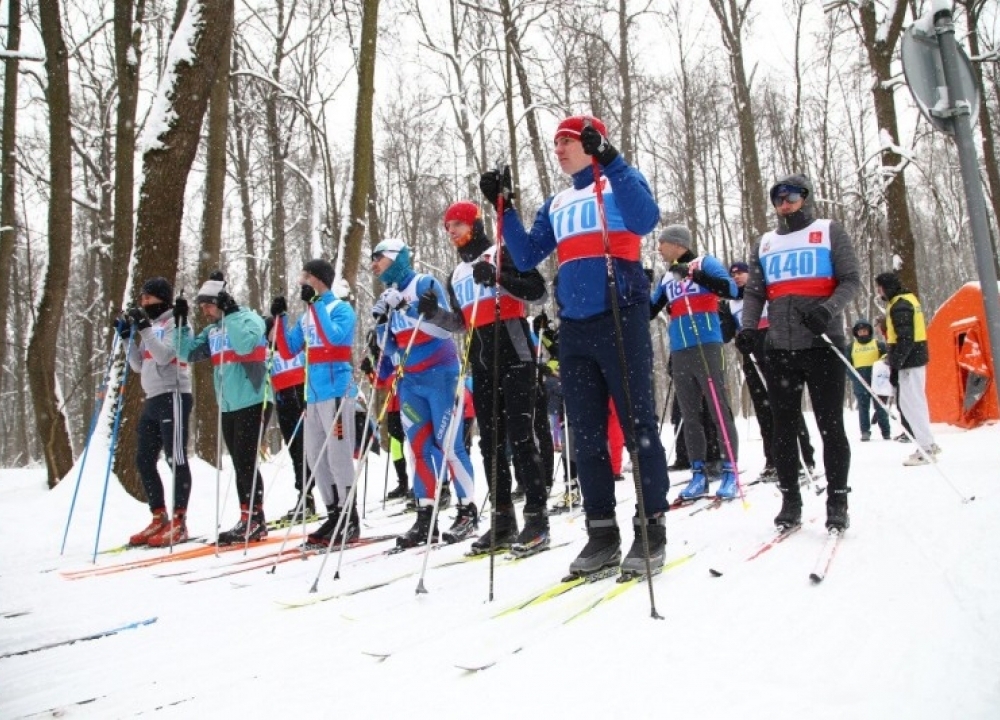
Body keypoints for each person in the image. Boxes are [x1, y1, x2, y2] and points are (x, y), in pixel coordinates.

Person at [481, 114, 669, 578]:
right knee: (585, 436)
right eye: (556, 143)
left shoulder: (619, 179)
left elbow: (646, 219)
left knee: (636, 423)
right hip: (576, 326)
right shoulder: (558, 201)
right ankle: (602, 532)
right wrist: (502, 208)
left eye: (567, 141)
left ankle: (651, 528)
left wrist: (612, 159)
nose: (559, 149)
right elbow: (526, 256)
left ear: (590, 142)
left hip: (621, 315)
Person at [737, 174, 860, 532]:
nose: (784, 204)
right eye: (777, 199)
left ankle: (837, 499)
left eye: (790, 197)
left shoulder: (828, 230)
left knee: (830, 425)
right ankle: (790, 500)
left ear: (805, 198)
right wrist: (747, 328)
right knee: (783, 428)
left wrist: (827, 310)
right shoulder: (766, 242)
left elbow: (851, 279)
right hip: (780, 348)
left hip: (822, 345)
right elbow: (756, 293)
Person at [432, 200, 551, 556]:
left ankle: (537, 519)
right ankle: (502, 519)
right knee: (490, 443)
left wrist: (499, 277)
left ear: (475, 224)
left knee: (521, 436)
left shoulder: (502, 252)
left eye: (457, 223)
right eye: (447, 226)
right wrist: (433, 314)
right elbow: (459, 321)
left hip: (515, 354)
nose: (451, 230)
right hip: (481, 363)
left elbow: (538, 291)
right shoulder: (455, 275)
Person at [370, 238, 478, 548]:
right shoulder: (386, 294)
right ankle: (426, 516)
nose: (374, 265)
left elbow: (445, 329)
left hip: (441, 376)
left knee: (449, 445)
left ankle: (467, 511)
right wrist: (380, 325)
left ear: (395, 258)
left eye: (378, 258)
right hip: (411, 382)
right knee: (418, 448)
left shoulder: (423, 283)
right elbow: (391, 348)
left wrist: (406, 306)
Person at [274, 259, 360, 548]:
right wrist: (280, 318)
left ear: (318, 279)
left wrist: (317, 305)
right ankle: (334, 513)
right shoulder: (309, 315)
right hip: (312, 396)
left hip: (337, 391)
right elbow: (287, 350)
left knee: (338, 456)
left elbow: (335, 340)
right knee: (315, 458)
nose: (301, 281)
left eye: (305, 276)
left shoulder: (341, 309)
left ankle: (350, 517)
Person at [650, 225, 741, 501]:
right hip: (680, 348)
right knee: (690, 415)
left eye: (662, 243)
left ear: (676, 244)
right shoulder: (666, 277)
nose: (658, 248)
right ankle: (698, 473)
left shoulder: (705, 262)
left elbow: (732, 289)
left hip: (707, 343)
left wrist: (693, 274)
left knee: (717, 409)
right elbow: (649, 310)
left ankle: (729, 471)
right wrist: (639, 286)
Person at [180, 272, 269, 543]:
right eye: (202, 307)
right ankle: (248, 517)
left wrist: (230, 315)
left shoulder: (248, 319)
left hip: (254, 398)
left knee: (246, 460)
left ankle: (255, 518)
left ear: (221, 302)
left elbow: (244, 346)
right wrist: (181, 324)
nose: (205, 312)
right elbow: (186, 353)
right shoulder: (212, 331)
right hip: (229, 403)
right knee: (239, 461)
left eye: (208, 305)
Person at [722, 261, 817, 480]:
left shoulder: (762, 293)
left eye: (741, 273)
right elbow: (726, 333)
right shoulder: (731, 303)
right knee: (764, 411)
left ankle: (805, 458)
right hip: (751, 356)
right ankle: (773, 460)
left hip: (773, 350)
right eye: (733, 274)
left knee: (785, 405)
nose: (737, 277)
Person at [121, 277, 193, 547]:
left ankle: (179, 519)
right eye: (142, 298)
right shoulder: (151, 326)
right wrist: (128, 337)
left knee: (176, 458)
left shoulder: (177, 322)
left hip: (174, 394)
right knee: (143, 459)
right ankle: (158, 514)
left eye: (148, 298)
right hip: (152, 397)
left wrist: (144, 331)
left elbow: (165, 356)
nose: (144, 302)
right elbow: (139, 365)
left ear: (161, 298)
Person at [875, 272, 941, 465]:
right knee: (911, 403)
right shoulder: (906, 300)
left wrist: (896, 362)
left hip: (910, 362)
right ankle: (927, 443)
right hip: (912, 359)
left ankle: (926, 448)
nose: (879, 292)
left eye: (880, 288)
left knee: (912, 404)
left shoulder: (899, 305)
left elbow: (905, 338)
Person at [264, 306, 310, 522]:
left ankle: (309, 497)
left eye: (273, 331)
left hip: (301, 399)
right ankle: (304, 497)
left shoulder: (295, 346)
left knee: (304, 451)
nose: (272, 337)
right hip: (284, 404)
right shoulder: (268, 353)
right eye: (269, 334)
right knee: (295, 452)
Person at [849, 318, 891, 442]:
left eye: (865, 331)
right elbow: (847, 366)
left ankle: (886, 432)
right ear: (856, 333)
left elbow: (886, 360)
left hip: (877, 382)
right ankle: (865, 431)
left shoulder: (878, 344)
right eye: (860, 331)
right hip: (860, 382)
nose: (863, 333)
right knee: (863, 408)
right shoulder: (851, 347)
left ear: (869, 331)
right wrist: (855, 379)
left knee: (881, 408)